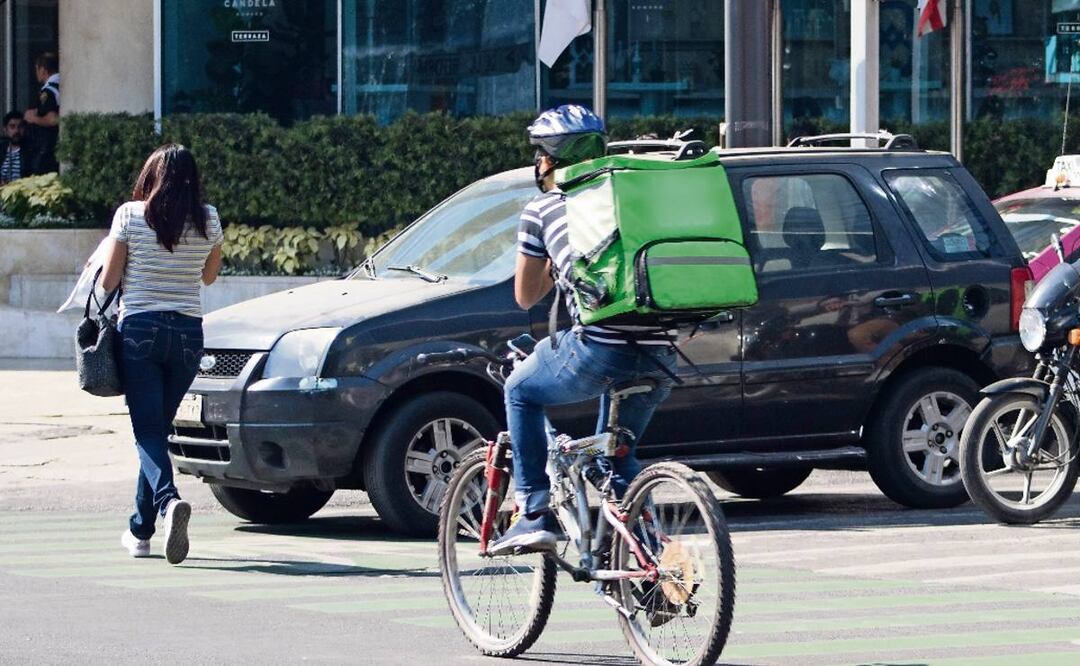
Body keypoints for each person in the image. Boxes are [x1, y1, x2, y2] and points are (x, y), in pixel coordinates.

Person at [489, 105, 678, 555]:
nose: (537, 163)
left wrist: (557, 269)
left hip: (600, 349)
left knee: (519, 390)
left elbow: (525, 295)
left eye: (540, 154)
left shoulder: (542, 209)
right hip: (661, 351)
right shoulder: (629, 197)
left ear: (551, 158)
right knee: (614, 461)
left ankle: (533, 511)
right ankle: (655, 568)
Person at [100, 144, 224, 564]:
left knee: (147, 432)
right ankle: (141, 530)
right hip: (188, 334)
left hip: (141, 331)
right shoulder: (208, 218)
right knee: (155, 428)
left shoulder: (130, 215)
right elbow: (208, 277)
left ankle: (169, 503)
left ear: (152, 176)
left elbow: (108, 282)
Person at [23, 52, 59, 175]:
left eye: (37, 69)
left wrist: (32, 118)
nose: (36, 73)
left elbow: (53, 119)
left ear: (43, 70)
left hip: (48, 148)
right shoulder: (62, 85)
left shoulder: (48, 91)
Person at [0, 111, 27, 184]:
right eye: (12, 127)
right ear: (5, 130)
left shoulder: (30, 152)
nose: (17, 130)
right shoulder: (1, 149)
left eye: (20, 126)